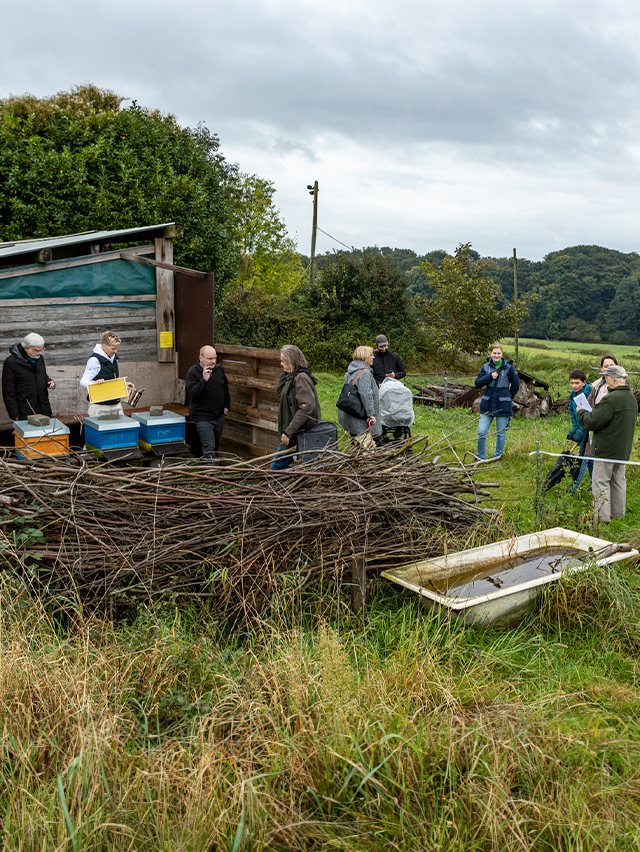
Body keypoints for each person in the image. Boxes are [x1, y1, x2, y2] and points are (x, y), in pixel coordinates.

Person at [576, 365, 638, 523]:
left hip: (605, 450)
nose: (604, 380)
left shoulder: (611, 399)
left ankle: (602, 519)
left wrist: (581, 411)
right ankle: (618, 516)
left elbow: (592, 421)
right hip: (622, 451)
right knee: (618, 482)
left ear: (613, 378)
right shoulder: (631, 398)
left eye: (606, 377)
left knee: (600, 482)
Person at [270, 345, 322, 471]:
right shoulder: (293, 376)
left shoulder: (301, 378)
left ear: (291, 361)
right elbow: (280, 391)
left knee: (276, 467)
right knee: (304, 467)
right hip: (296, 432)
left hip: (300, 432)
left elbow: (307, 408)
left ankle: (275, 489)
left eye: (283, 361)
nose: (281, 363)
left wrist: (289, 432)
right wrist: (287, 370)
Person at [474, 342, 519, 460]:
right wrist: (490, 376)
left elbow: (515, 386)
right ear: (490, 353)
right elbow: (477, 383)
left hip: (503, 405)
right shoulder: (485, 367)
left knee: (501, 433)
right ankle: (480, 457)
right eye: (494, 353)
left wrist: (508, 397)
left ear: (502, 354)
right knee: (481, 432)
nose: (496, 355)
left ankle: (497, 456)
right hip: (487, 403)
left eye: (499, 353)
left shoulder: (509, 368)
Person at [185, 345, 230, 464]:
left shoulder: (219, 369)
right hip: (203, 416)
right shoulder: (193, 373)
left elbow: (225, 388)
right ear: (201, 358)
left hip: (219, 415)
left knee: (215, 445)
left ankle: (214, 469)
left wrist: (227, 406)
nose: (213, 361)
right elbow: (192, 394)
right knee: (209, 446)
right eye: (210, 358)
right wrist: (204, 380)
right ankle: (211, 474)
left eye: (215, 358)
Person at [2, 332, 55, 421]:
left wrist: (49, 381)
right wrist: (14, 413)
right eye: (37, 350)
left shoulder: (39, 359)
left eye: (41, 349)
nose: (40, 353)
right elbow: (8, 390)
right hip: (24, 410)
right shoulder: (11, 362)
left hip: (43, 408)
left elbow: (42, 375)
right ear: (27, 348)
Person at [80, 330, 134, 417]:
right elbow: (83, 382)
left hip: (116, 405)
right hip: (99, 407)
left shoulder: (113, 358)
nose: (115, 351)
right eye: (113, 348)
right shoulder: (94, 360)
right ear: (104, 346)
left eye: (116, 348)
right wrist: (94, 383)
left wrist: (124, 384)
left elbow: (111, 380)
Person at [338, 345, 381, 448]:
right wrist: (371, 414)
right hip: (360, 418)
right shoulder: (365, 373)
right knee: (368, 446)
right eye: (371, 355)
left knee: (357, 444)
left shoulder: (351, 371)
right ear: (364, 357)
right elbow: (365, 394)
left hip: (351, 414)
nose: (373, 357)